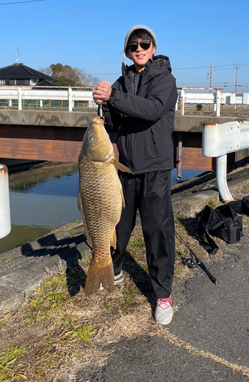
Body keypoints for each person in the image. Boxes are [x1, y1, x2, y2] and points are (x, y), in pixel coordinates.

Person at [92, 24, 178, 325]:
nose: (139, 49)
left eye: (144, 43)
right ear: (127, 51)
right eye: (133, 45)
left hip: (154, 167)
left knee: (158, 232)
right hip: (125, 167)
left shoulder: (165, 80)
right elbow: (116, 125)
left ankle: (162, 293)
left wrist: (113, 96)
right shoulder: (122, 81)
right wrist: (105, 105)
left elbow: (151, 109)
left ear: (154, 48)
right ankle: (111, 268)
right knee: (117, 224)